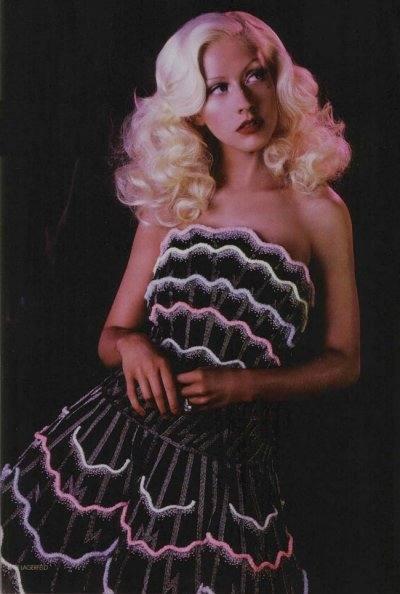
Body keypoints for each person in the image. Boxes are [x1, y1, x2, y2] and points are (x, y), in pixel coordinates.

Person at [1, 10, 360, 594]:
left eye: (254, 76)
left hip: (229, 464)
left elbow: (346, 361)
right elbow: (112, 336)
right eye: (217, 88)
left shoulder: (319, 210)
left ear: (278, 81)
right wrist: (134, 347)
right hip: (112, 444)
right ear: (193, 107)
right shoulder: (174, 199)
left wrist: (245, 385)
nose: (243, 102)